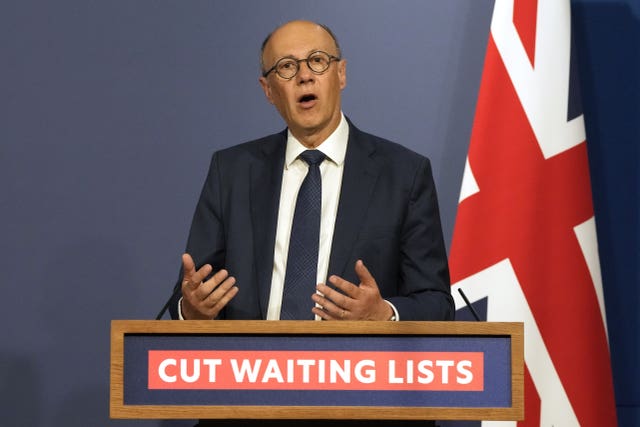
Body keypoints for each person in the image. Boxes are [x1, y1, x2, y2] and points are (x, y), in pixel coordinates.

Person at [168, 19, 452, 427]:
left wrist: (383, 314)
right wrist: (192, 310)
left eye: (317, 61)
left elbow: (436, 303)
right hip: (247, 407)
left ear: (341, 73)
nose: (304, 74)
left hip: (364, 408)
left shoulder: (403, 173)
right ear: (268, 91)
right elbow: (192, 293)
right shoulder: (231, 171)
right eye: (286, 66)